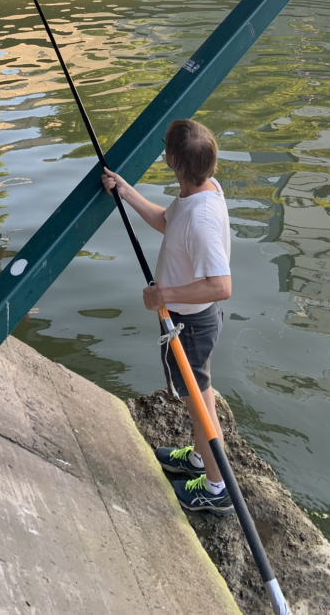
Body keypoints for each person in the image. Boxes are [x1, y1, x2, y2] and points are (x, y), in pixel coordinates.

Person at [102, 118, 233, 516]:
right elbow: (166, 221)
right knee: (198, 398)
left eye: (165, 149)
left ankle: (217, 488)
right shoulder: (200, 193)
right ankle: (197, 461)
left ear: (173, 161)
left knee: (200, 404)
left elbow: (221, 284)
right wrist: (125, 192)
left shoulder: (200, 217)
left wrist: (165, 295)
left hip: (190, 326)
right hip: (188, 321)